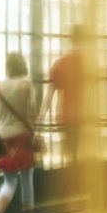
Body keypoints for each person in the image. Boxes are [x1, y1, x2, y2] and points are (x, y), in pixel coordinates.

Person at [0, 52, 38, 213]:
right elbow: (31, 112)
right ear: (23, 65)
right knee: (27, 178)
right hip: (22, 135)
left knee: (9, 181)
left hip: (3, 137)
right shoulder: (26, 85)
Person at [39, 24, 85, 167]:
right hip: (84, 116)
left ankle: (70, 182)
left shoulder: (60, 63)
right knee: (82, 157)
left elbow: (49, 94)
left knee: (70, 154)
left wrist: (41, 118)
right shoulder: (88, 64)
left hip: (65, 115)